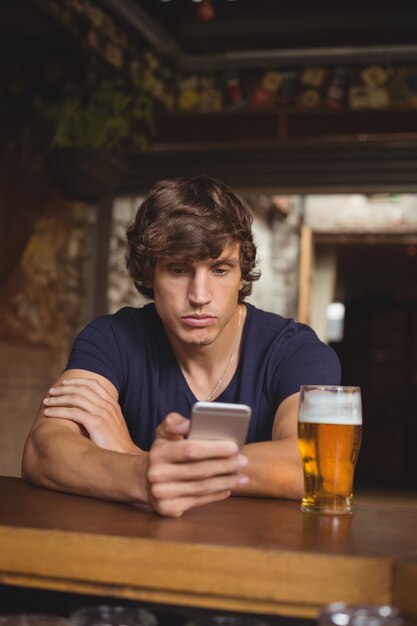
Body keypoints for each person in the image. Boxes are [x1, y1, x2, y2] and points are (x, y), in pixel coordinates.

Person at [22, 176, 341, 517]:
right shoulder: (110, 340)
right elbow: (44, 450)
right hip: (132, 556)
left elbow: (314, 466)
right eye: (177, 269)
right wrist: (141, 476)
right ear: (149, 274)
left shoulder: (296, 351)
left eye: (220, 269)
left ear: (241, 275)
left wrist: (139, 458)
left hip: (259, 558)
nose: (200, 296)